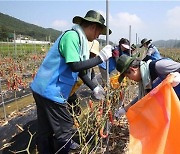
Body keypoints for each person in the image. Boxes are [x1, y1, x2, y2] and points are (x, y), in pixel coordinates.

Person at [30, 10, 112, 154]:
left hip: (43, 89)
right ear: (93, 27)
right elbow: (74, 65)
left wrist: (94, 87)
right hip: (51, 90)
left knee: (46, 129)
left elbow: (80, 70)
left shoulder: (79, 40)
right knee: (65, 128)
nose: (98, 36)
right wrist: (100, 58)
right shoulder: (71, 36)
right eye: (99, 32)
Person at [114, 54, 180, 119]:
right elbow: (145, 97)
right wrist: (125, 110)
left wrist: (177, 76)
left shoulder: (159, 66)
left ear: (132, 70)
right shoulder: (145, 80)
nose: (130, 79)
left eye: (128, 76)